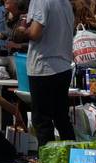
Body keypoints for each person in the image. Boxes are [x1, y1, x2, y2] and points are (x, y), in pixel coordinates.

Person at [13, 0, 75, 147]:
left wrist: (22, 29)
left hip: (44, 65)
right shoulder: (65, 3)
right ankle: (73, 155)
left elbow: (35, 33)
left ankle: (48, 159)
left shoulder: (40, 1)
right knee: (61, 116)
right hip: (63, 65)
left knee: (42, 119)